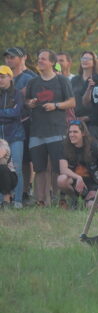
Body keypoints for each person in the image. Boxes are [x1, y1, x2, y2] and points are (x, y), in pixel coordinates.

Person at [26, 49, 75, 206]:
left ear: (52, 62)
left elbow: (72, 102)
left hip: (57, 130)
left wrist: (56, 105)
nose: (39, 61)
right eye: (39, 58)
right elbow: (27, 102)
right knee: (39, 169)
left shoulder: (62, 81)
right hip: (36, 132)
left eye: (43, 59)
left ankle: (59, 199)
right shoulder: (33, 82)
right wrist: (31, 103)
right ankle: (41, 200)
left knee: (58, 168)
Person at [4, 47, 36, 202]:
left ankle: (24, 191)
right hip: (5, 125)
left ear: (23, 57)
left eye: (12, 57)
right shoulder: (4, 76)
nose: (9, 60)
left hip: (26, 122)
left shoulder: (30, 77)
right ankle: (7, 194)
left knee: (24, 160)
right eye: (7, 57)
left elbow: (34, 99)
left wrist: (26, 101)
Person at [57, 120, 98, 209]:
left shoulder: (94, 145)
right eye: (70, 132)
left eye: (75, 132)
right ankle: (74, 199)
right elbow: (63, 169)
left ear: (83, 133)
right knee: (61, 179)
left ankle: (88, 201)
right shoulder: (64, 145)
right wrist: (78, 177)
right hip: (74, 181)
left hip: (91, 184)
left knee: (91, 206)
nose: (71, 135)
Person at [0, 65, 25, 207]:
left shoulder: (17, 93)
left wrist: (4, 113)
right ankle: (2, 200)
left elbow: (16, 113)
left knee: (17, 167)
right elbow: (11, 113)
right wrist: (8, 112)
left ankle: (17, 200)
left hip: (15, 136)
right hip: (1, 138)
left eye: (3, 77)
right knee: (0, 167)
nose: (0, 79)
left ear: (10, 77)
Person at [81, 50, 98, 144]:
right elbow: (85, 103)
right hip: (93, 126)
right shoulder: (92, 79)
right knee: (94, 150)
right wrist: (89, 89)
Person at [71, 51, 98, 123]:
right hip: (75, 119)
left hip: (93, 121)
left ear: (94, 62)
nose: (85, 60)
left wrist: (89, 117)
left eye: (88, 59)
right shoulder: (74, 80)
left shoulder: (97, 79)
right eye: (83, 58)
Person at [0, 139, 18, 206]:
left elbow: (1, 154)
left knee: (2, 168)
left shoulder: (2, 143)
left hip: (10, 176)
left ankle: (6, 201)